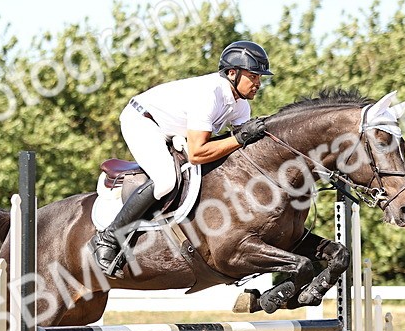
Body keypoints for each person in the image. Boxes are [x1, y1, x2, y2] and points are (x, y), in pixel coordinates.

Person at [90, 40, 273, 275]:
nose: (258, 83)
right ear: (232, 73)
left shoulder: (240, 106)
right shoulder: (211, 94)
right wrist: (240, 139)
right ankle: (108, 238)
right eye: (254, 76)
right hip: (143, 121)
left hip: (173, 130)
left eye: (259, 77)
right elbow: (198, 153)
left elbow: (239, 152)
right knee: (166, 180)